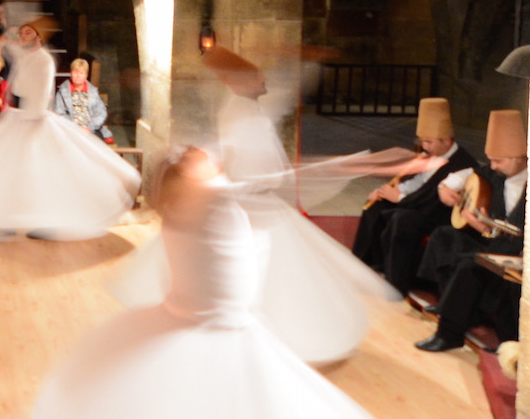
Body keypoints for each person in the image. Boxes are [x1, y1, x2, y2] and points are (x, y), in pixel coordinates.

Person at [32, 149, 377, 419]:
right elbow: (295, 179)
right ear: (190, 176)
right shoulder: (212, 196)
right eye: (202, 159)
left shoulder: (179, 206)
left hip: (182, 316)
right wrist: (358, 165)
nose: (213, 158)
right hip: (222, 328)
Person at [112, 47, 399, 364]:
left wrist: (308, 62)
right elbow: (259, 176)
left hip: (259, 205)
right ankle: (256, 341)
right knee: (260, 278)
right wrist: (346, 166)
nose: (263, 79)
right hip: (255, 213)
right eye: (254, 76)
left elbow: (280, 95)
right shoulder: (240, 117)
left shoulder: (246, 106)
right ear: (238, 82)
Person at [0, 19, 140, 239]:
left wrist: (23, 120)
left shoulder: (44, 60)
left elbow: (40, 99)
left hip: (34, 121)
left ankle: (45, 220)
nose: (22, 36)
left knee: (40, 174)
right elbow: (13, 72)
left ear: (38, 37)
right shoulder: (25, 57)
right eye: (21, 32)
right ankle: (5, 218)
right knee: (7, 171)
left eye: (28, 32)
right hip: (18, 118)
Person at [414, 110, 528, 353]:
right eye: (491, 159)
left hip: (520, 252)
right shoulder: (494, 172)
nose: (493, 166)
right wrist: (446, 188)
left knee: (469, 265)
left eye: (499, 160)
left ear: (520, 157)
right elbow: (467, 174)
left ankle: (449, 334)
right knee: (445, 237)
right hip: (495, 242)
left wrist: (492, 231)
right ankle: (451, 304)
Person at [352, 95, 476, 294]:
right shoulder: (430, 155)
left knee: (403, 218)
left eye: (429, 142)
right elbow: (417, 183)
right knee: (375, 204)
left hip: (438, 213)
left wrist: (399, 199)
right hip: (417, 203)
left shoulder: (463, 162)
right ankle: (364, 264)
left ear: (446, 140)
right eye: (423, 141)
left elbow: (434, 199)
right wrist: (391, 191)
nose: (424, 147)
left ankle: (396, 284)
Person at [52, 57, 113, 143]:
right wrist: (73, 126)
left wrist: (89, 127)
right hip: (70, 129)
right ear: (71, 73)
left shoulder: (92, 92)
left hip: (91, 129)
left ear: (86, 75)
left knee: (97, 144)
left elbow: (101, 113)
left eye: (81, 73)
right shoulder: (63, 91)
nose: (78, 76)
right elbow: (58, 113)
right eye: (75, 72)